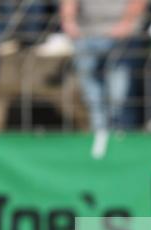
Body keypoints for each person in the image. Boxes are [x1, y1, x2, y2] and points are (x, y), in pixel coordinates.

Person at [61, 0, 146, 132]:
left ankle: (122, 133)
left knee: (119, 92)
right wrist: (69, 22)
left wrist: (126, 24)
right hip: (86, 36)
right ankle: (99, 133)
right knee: (92, 94)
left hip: (122, 37)